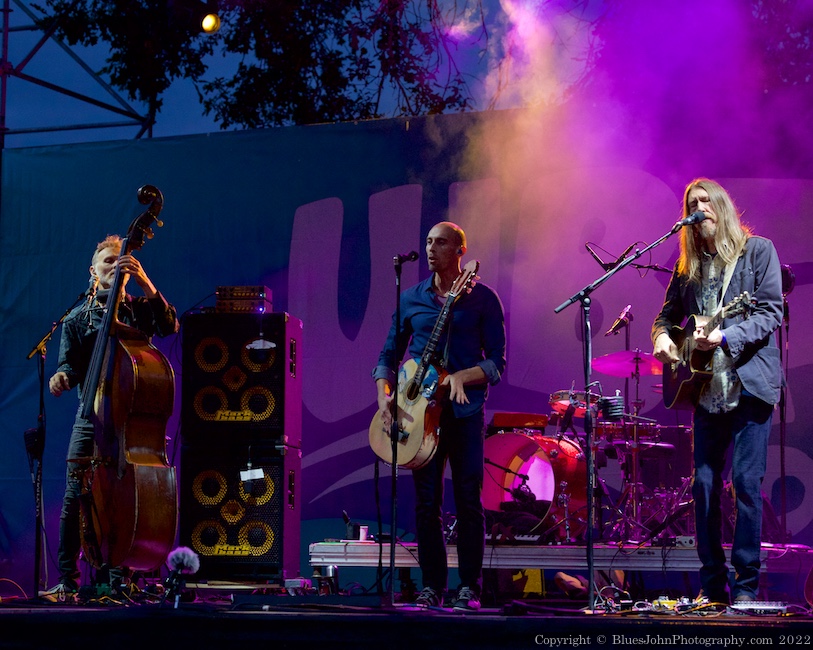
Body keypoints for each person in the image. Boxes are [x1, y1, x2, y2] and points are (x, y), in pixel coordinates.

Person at [651, 178, 783, 604]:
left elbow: (769, 312)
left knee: (744, 484)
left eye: (706, 200)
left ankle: (745, 587)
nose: (699, 207)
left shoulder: (757, 251)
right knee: (703, 487)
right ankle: (712, 587)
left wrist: (728, 336)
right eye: (692, 202)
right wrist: (663, 340)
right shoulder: (686, 266)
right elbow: (666, 318)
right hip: (705, 389)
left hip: (749, 386)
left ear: (722, 206)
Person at [373, 221, 506, 611]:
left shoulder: (483, 299)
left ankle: (469, 586)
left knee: (468, 499)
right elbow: (387, 357)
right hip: (417, 416)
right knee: (425, 503)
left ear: (460, 250)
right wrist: (385, 399)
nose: (431, 249)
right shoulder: (412, 298)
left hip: (464, 413)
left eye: (441, 243)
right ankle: (432, 585)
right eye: (428, 242)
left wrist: (464, 375)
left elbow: (497, 362)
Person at [40, 235, 179, 601]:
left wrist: (147, 282)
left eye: (120, 263)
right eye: (107, 263)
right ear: (93, 272)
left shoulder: (137, 311)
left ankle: (121, 579)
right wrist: (62, 377)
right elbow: (67, 366)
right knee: (74, 496)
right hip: (90, 417)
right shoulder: (75, 319)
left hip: (128, 424)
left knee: (125, 496)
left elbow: (168, 326)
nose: (113, 268)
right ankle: (68, 582)